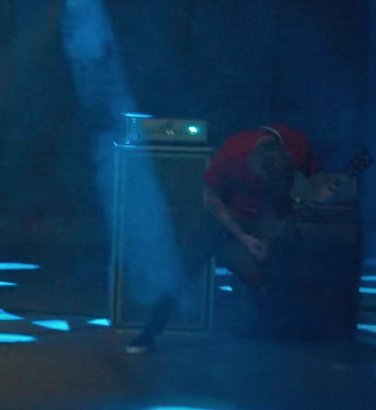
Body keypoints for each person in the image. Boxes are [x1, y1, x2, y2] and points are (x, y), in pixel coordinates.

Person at [125, 123, 344, 353]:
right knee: (185, 266)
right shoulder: (232, 153)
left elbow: (317, 178)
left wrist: (325, 191)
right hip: (225, 215)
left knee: (296, 266)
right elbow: (210, 198)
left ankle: (327, 339)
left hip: (268, 213)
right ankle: (149, 331)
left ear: (288, 157)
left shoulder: (296, 143)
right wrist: (243, 237)